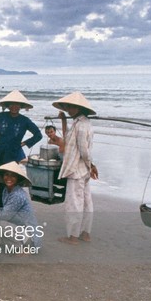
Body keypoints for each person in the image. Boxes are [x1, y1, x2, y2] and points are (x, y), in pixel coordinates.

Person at [53, 92, 98, 245]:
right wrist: (64, 121)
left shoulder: (81, 126)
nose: (68, 109)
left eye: (71, 107)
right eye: (67, 107)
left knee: (74, 203)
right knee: (85, 202)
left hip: (77, 170)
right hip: (82, 169)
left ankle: (73, 237)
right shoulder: (81, 123)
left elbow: (84, 151)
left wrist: (91, 164)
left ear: (79, 108)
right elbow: (67, 140)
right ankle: (85, 233)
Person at [0, 162, 41, 248]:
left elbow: (3, 216)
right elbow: (4, 211)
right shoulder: (6, 190)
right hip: (19, 225)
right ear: (3, 176)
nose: (9, 178)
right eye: (6, 175)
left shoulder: (17, 195)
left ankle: (22, 248)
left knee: (1, 224)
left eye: (13, 176)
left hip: (30, 234)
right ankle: (14, 243)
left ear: (18, 178)